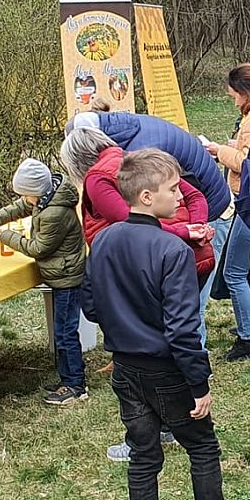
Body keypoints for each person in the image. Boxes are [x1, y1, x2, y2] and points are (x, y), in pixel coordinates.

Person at [82, 148, 250, 500]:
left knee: (144, 456)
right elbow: (183, 329)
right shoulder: (172, 249)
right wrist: (199, 384)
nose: (181, 196)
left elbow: (90, 304)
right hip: (167, 371)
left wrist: (124, 324)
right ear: (146, 196)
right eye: (173, 189)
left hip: (125, 368)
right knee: (202, 447)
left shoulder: (103, 239)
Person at [60, 126, 212, 461]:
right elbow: (194, 197)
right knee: (176, 329)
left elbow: (130, 221)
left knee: (156, 347)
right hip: (183, 257)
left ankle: (146, 437)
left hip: (143, 265)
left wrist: (186, 232)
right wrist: (196, 228)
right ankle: (172, 420)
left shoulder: (99, 179)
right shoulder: (137, 162)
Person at [0, 158, 88, 407]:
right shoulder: (46, 197)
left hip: (66, 277)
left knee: (65, 334)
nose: (24, 199)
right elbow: (20, 206)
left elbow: (38, 248)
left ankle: (75, 385)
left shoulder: (54, 212)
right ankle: (68, 378)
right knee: (62, 331)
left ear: (37, 192)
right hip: (61, 273)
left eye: (25, 194)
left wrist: (5, 235)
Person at [206, 63, 250, 361]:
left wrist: (218, 151)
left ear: (246, 91)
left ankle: (248, 337)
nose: (233, 100)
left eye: (234, 94)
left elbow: (248, 164)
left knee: (234, 272)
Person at [66, 109, 230, 222]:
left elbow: (138, 219)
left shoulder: (139, 154)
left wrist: (194, 228)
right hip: (206, 194)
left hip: (210, 202)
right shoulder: (124, 128)